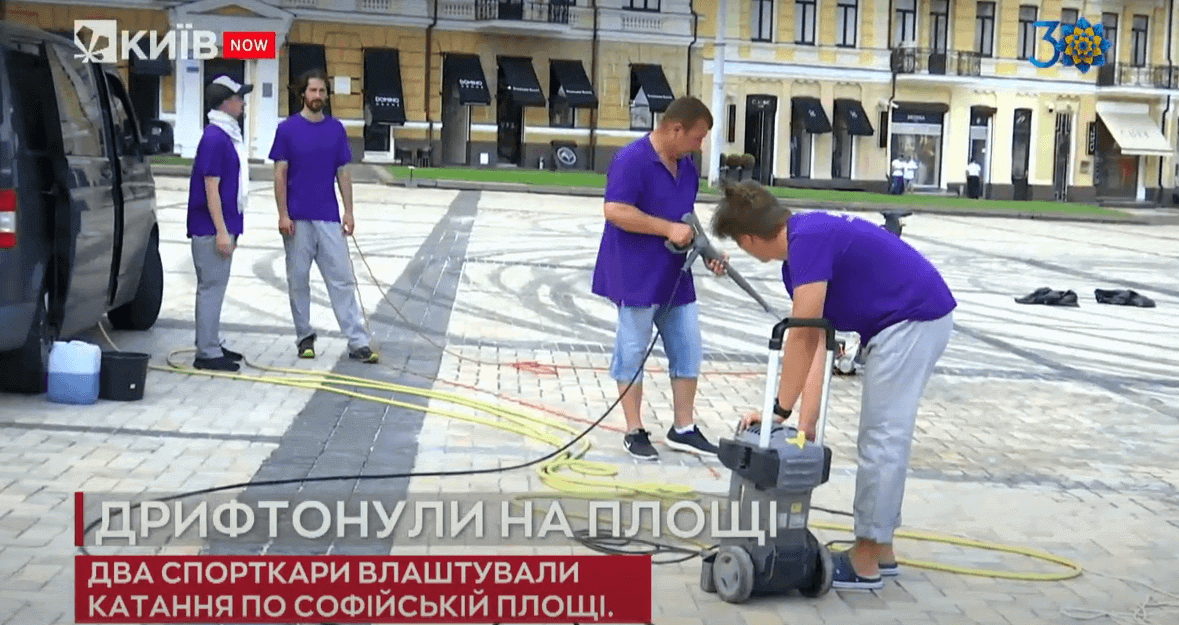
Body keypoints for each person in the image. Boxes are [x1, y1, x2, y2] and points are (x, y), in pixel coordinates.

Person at [710, 180, 956, 590]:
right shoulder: (801, 249)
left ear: (748, 239)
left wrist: (778, 410)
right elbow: (819, 343)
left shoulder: (808, 242)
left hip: (912, 320)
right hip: (911, 318)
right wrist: (804, 426)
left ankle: (865, 561)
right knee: (882, 437)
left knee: (882, 439)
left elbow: (801, 336)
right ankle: (881, 549)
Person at [591, 96, 727, 460]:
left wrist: (709, 252)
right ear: (676, 129)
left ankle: (683, 427)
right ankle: (634, 430)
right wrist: (665, 229)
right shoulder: (632, 160)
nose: (700, 146)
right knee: (632, 350)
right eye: (698, 137)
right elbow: (614, 210)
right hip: (635, 275)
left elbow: (686, 219)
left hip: (675, 276)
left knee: (688, 348)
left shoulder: (687, 169)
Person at [269, 69, 378, 364]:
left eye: (322, 91)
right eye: (313, 90)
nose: (317, 96)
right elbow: (279, 174)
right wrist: (282, 214)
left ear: (327, 95)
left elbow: (343, 172)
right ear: (302, 93)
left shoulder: (336, 130)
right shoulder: (287, 130)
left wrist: (349, 211)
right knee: (298, 281)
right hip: (296, 220)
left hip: (328, 217)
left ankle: (358, 342)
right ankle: (304, 337)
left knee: (342, 280)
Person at [186, 75, 253, 372]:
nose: (243, 103)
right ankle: (207, 352)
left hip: (221, 226)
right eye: (239, 98)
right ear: (225, 103)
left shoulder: (226, 135)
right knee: (211, 288)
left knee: (214, 288)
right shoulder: (215, 138)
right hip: (211, 228)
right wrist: (222, 232)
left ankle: (210, 341)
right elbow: (210, 187)